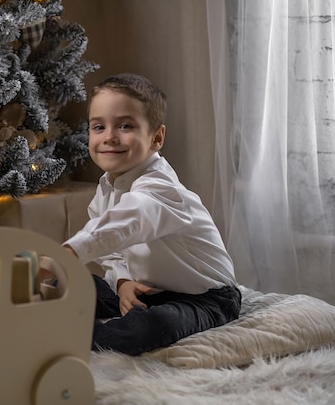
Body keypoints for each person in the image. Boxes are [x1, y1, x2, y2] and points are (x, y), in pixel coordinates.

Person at [63, 73, 241, 356]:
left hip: (204, 297)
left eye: (125, 125)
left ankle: (68, 338)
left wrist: (71, 251)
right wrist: (122, 283)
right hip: (148, 290)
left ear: (156, 137)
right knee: (77, 283)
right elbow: (113, 253)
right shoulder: (106, 187)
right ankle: (37, 312)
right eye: (99, 126)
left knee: (152, 326)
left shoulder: (161, 188)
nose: (109, 136)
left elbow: (128, 222)